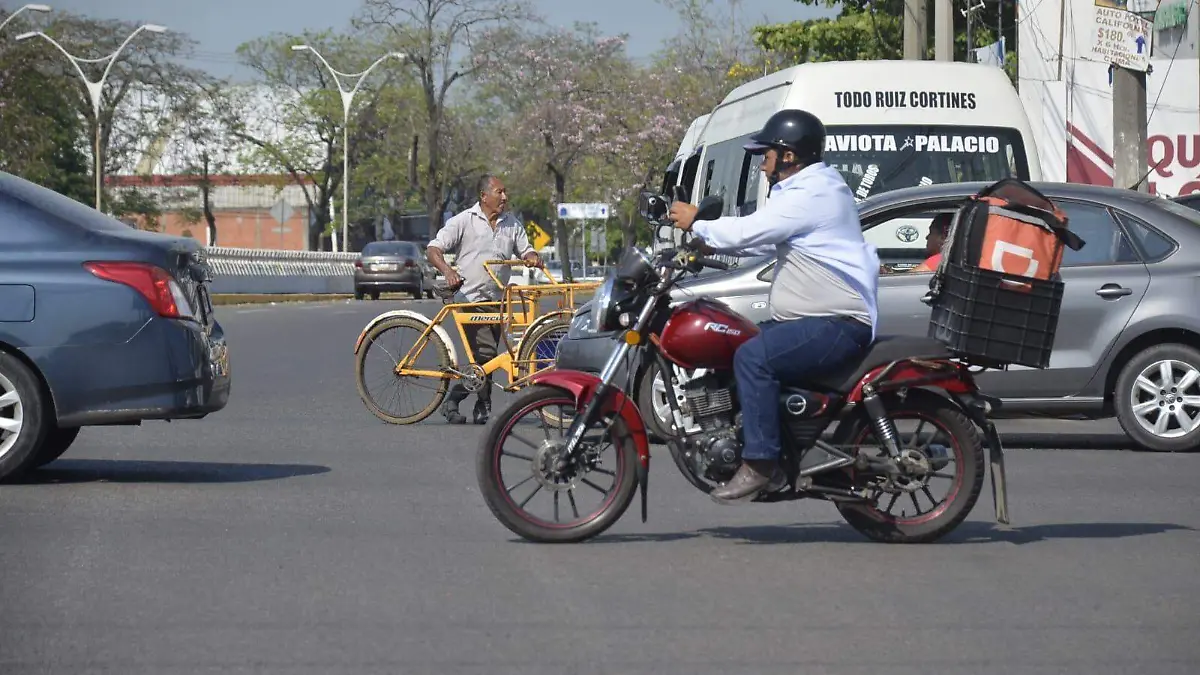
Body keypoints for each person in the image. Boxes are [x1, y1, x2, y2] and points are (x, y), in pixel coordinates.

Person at [667, 109, 880, 503]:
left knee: (753, 358)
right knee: (735, 346)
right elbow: (763, 240)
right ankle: (768, 441)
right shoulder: (805, 192)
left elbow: (754, 230)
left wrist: (699, 222)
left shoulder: (814, 192)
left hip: (836, 323)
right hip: (816, 320)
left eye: (765, 154)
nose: (761, 163)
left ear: (788, 155)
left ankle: (761, 463)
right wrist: (707, 244)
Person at [427, 174, 542, 425]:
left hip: (499, 301)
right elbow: (433, 249)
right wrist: (448, 271)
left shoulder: (511, 223)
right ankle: (484, 404)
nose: (505, 197)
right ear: (484, 196)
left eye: (505, 192)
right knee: (487, 354)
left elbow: (526, 249)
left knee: (484, 360)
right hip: (469, 299)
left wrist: (532, 256)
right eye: (499, 192)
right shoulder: (463, 221)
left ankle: (454, 401)